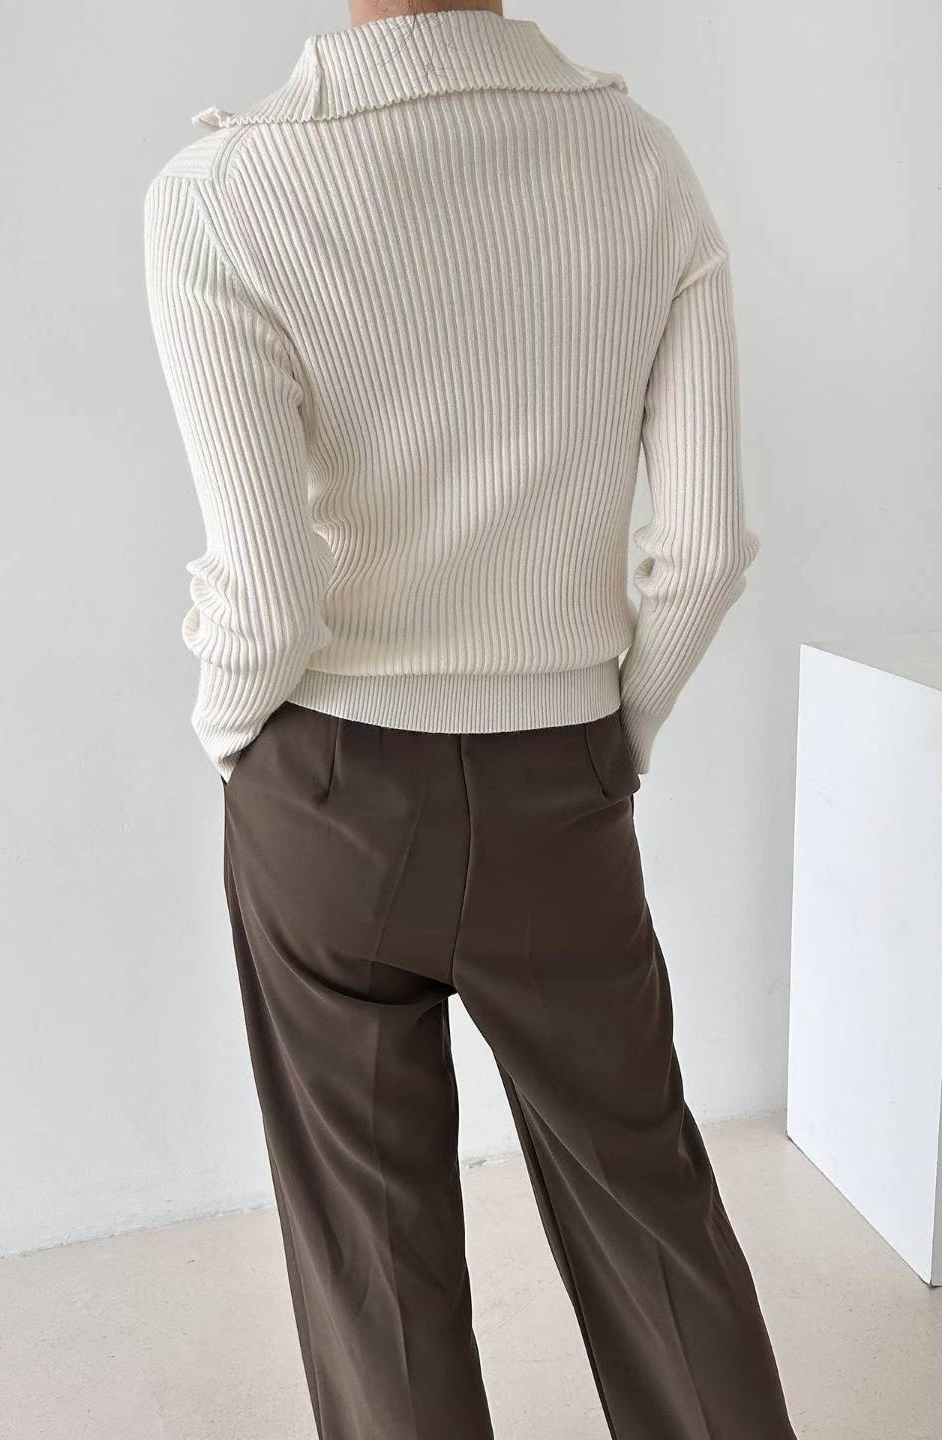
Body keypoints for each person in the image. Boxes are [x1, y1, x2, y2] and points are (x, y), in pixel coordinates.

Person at [143, 4, 797, 1437]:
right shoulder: (637, 159)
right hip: (562, 781)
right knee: (649, 1208)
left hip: (327, 789)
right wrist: (606, 747)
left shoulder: (224, 192)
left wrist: (235, 743)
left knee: (375, 1267)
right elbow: (700, 552)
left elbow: (267, 585)